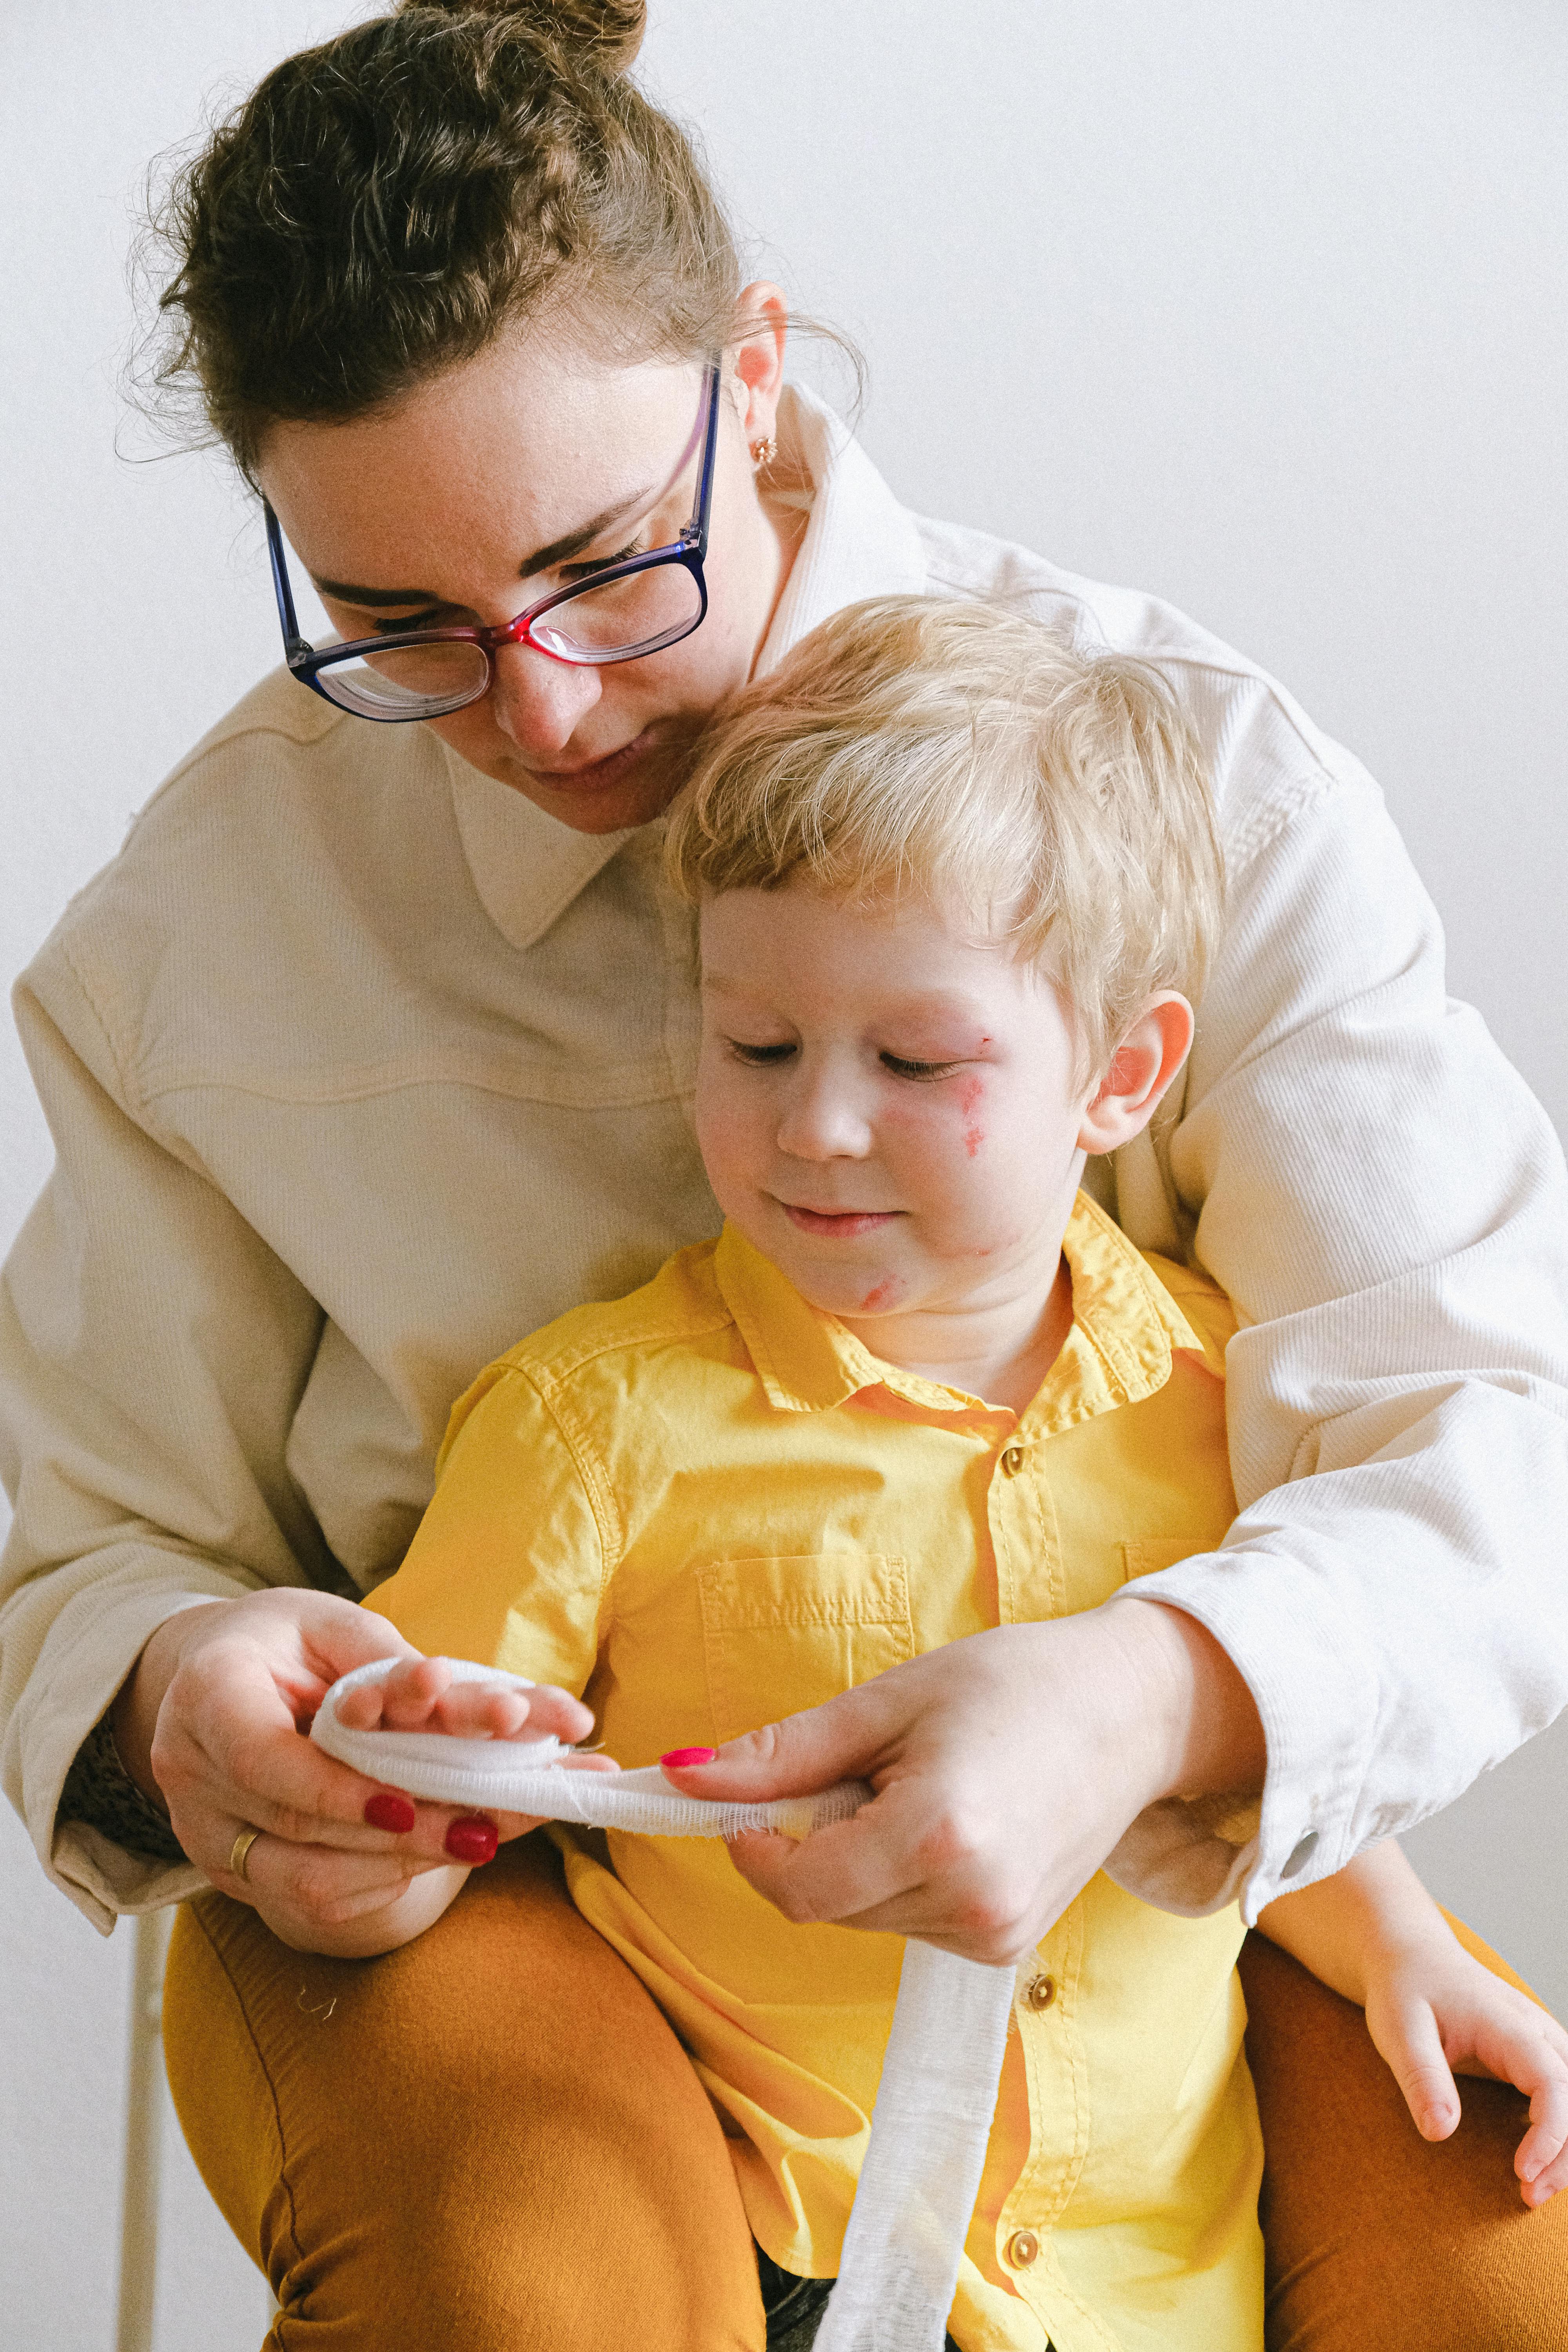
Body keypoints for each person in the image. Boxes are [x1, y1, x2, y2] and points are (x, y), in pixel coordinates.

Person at [0, 2, 1563, 2345]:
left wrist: (1151, 1699)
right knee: (541, 2283)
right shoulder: (206, 934)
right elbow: (80, 1548)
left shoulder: (1199, 791)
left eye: (605, 562)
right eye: (397, 626)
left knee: (1513, 2265)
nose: (538, 711)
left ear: (751, 369)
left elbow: (1486, 1429)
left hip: (1138, 1869)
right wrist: (181, 1690)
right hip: (510, 1898)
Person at [325, 597, 1568, 2352]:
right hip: (772, 2255)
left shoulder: (1222, 1398)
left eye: (916, 1063)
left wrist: (1410, 1957)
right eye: (754, 1046)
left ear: (1120, 1077)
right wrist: (416, 1761)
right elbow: (422, 1780)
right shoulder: (593, 1422)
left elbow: (1238, 1799)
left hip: (1157, 2301)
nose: (816, 1125)